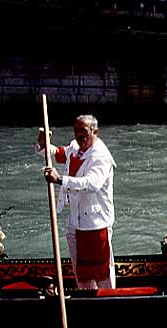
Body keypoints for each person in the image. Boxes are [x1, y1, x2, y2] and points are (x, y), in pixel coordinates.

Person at [36, 114, 117, 288]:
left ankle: (107, 300)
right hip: (75, 219)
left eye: (83, 130)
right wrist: (44, 144)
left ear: (95, 132)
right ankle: (85, 299)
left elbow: (92, 183)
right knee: (81, 271)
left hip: (95, 223)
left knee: (100, 272)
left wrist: (59, 180)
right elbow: (58, 155)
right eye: (76, 130)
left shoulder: (101, 156)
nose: (79, 134)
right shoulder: (75, 147)